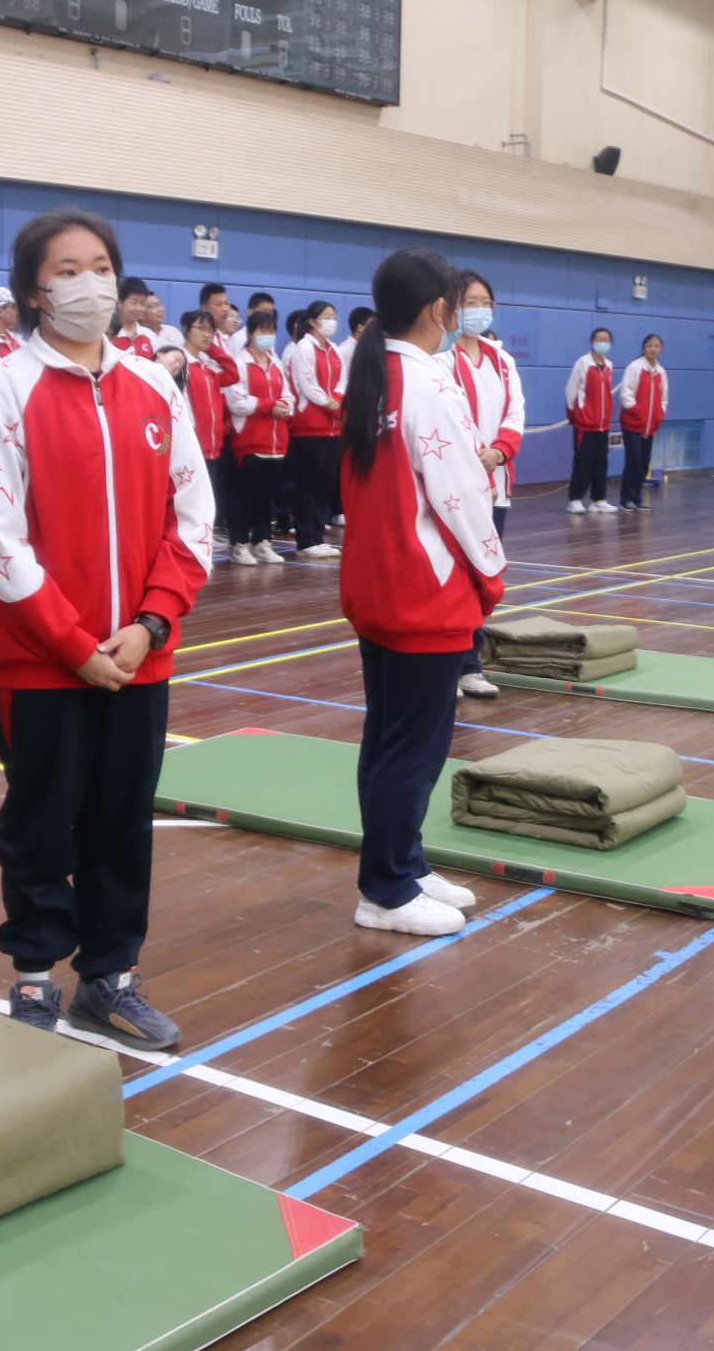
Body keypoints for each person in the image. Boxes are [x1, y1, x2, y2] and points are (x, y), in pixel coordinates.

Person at [0, 208, 213, 1049]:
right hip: (40, 664)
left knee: (121, 822)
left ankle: (110, 979)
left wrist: (151, 624)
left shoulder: (155, 387)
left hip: (140, 658)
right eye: (68, 270)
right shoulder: (1, 392)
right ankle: (34, 977)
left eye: (100, 266)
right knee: (39, 826)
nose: (90, 284)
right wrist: (73, 646)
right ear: (35, 292)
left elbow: (193, 518)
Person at [338, 247, 507, 938]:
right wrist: (490, 574)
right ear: (441, 310)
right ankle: (384, 888)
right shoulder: (427, 382)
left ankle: (402, 860)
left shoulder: (372, 372)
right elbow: (462, 495)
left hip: (379, 584)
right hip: (423, 590)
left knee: (388, 737)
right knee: (412, 748)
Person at [439, 271, 525, 700]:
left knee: (483, 575)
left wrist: (498, 454)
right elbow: (450, 420)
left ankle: (471, 665)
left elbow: (515, 413)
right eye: (470, 302)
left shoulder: (501, 360)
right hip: (458, 487)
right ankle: (446, 667)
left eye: (485, 302)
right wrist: (478, 468)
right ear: (452, 308)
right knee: (453, 576)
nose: (479, 310)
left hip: (497, 484)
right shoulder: (440, 359)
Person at [223, 309, 294, 565]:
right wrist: (268, 406)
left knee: (266, 497)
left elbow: (289, 396)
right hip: (250, 442)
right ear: (252, 333)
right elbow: (236, 402)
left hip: (276, 444)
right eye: (263, 330)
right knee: (245, 496)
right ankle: (239, 543)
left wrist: (285, 406)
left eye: (272, 331)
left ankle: (262, 541)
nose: (268, 335)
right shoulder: (239, 364)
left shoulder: (276, 364)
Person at [288, 299, 347, 559]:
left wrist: (338, 400)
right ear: (312, 321)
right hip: (311, 425)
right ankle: (305, 538)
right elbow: (307, 383)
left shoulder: (334, 350)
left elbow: (343, 381)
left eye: (333, 316)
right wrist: (328, 402)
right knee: (308, 483)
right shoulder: (304, 347)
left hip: (334, 425)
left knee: (325, 483)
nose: (331, 321)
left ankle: (318, 535)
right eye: (326, 316)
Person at [182, 309, 234, 540]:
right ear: (186, 329)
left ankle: (204, 536)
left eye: (211, 331)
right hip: (193, 444)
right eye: (201, 329)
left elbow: (232, 374)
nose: (206, 335)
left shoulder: (208, 365)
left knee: (208, 495)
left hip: (213, 444)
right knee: (190, 497)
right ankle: (190, 538)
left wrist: (212, 348)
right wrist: (190, 438)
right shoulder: (181, 362)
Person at [565, 327, 617, 513]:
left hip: (602, 425)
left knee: (601, 463)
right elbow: (571, 390)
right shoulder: (582, 363)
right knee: (583, 462)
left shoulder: (609, 365)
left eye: (606, 339)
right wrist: (574, 415)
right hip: (584, 424)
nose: (602, 342)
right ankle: (575, 499)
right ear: (591, 342)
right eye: (598, 339)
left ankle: (598, 499)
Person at [616, 334, 668, 513]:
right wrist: (639, 413)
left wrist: (658, 415)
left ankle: (637, 498)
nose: (653, 349)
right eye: (650, 345)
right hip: (632, 424)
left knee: (644, 463)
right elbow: (626, 395)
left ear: (661, 349)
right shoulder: (635, 367)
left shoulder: (661, 372)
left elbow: (663, 399)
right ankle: (626, 499)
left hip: (650, 426)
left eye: (657, 346)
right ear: (644, 347)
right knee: (634, 460)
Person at [112, 277, 157, 358]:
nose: (138, 308)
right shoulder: (109, 334)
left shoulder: (149, 335)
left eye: (142, 304)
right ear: (119, 303)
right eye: (134, 303)